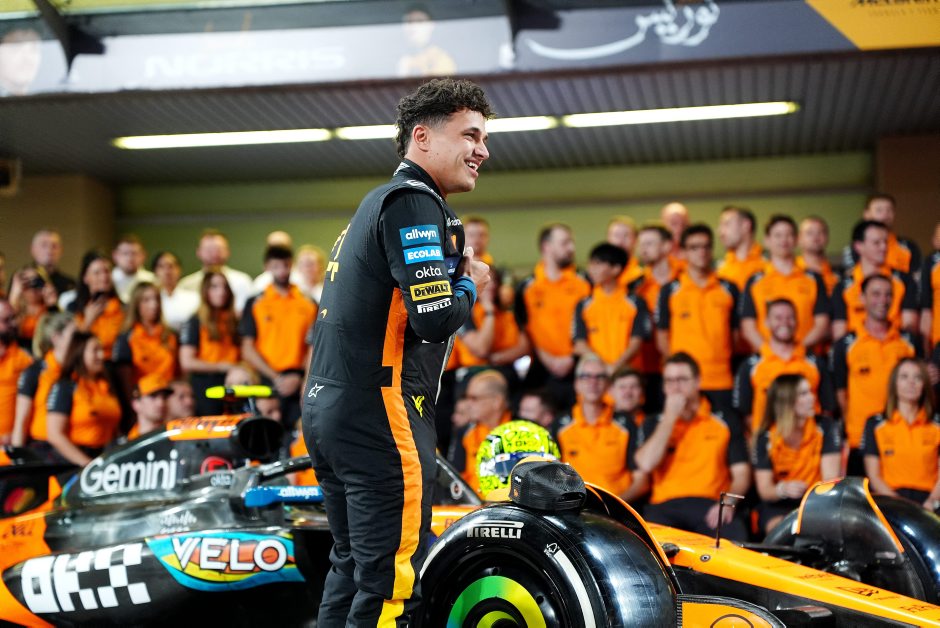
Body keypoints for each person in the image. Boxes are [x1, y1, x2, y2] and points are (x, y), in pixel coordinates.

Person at [301, 78, 491, 626]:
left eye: (484, 138)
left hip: (331, 409)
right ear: (422, 137)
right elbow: (434, 319)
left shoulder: (377, 203)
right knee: (393, 583)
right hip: (378, 413)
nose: (482, 150)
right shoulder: (413, 201)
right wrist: (470, 283)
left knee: (352, 568)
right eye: (470, 135)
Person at [635, 352, 750, 540]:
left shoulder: (724, 419)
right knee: (646, 543)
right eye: (669, 381)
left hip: (710, 504)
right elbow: (646, 464)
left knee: (734, 537)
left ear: (698, 381)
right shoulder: (654, 422)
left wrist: (728, 502)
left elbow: (742, 474)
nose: (675, 387)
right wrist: (670, 418)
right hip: (664, 506)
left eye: (682, 380)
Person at [832, 274, 921, 475]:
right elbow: (841, 393)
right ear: (862, 298)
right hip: (859, 441)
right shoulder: (846, 345)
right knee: (860, 495)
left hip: (901, 440)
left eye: (888, 294)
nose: (883, 300)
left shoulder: (909, 342)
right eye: (876, 294)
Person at [656, 224, 738, 410]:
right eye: (694, 247)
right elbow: (662, 337)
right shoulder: (670, 290)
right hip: (682, 382)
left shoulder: (728, 288)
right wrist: (678, 371)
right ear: (683, 252)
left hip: (720, 379)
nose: (701, 252)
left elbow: (735, 334)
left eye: (706, 246)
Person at [753, 374, 841, 533]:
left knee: (814, 527)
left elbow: (830, 480)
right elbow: (765, 490)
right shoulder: (766, 437)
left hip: (817, 501)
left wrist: (809, 499)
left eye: (810, 392)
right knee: (781, 529)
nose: (812, 398)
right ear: (786, 401)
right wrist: (782, 489)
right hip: (780, 504)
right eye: (804, 394)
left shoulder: (826, 427)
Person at [515, 223, 591, 409]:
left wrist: (572, 357)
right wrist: (545, 357)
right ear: (546, 246)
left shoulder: (585, 282)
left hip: (580, 367)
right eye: (565, 243)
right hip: (541, 371)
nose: (571, 248)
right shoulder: (527, 287)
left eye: (571, 242)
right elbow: (523, 327)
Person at [240, 245, 317, 427]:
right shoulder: (255, 303)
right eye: (276, 266)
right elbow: (247, 348)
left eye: (286, 265)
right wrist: (276, 378)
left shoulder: (308, 302)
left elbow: (313, 346)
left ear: (292, 265)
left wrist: (303, 380)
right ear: (267, 267)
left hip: (300, 381)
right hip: (266, 379)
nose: (282, 271)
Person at [553, 354, 646, 501]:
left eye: (599, 377)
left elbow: (641, 481)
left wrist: (615, 505)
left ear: (607, 384)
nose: (593, 382)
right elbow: (552, 478)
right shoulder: (560, 425)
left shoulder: (626, 424)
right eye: (586, 376)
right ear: (577, 384)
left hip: (618, 506)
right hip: (574, 507)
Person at [734, 298, 833, 434]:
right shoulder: (750, 366)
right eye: (778, 318)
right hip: (769, 441)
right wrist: (762, 439)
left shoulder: (815, 363)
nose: (784, 323)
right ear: (766, 322)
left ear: (797, 321)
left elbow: (827, 409)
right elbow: (746, 414)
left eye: (790, 317)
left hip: (809, 442)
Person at [740, 215, 829, 352]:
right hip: (767, 359)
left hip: (806, 357)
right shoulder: (755, 281)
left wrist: (796, 351)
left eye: (789, 235)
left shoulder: (814, 279)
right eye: (778, 235)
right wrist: (772, 352)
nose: (784, 240)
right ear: (767, 241)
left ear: (796, 240)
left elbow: (822, 323)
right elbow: (748, 326)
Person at [862, 359, 940, 511]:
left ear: (924, 385)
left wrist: (932, 502)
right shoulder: (875, 424)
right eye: (904, 377)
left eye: (917, 377)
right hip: (890, 502)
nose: (911, 382)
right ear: (894, 384)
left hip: (930, 503)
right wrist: (898, 507)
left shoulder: (936, 425)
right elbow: (874, 476)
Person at [832, 220, 918, 340]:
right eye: (876, 243)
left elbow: (910, 325)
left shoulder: (904, 280)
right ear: (859, 246)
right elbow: (839, 333)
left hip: (895, 345)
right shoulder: (844, 286)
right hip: (858, 348)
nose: (884, 247)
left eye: (885, 242)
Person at [45, 331, 121, 466]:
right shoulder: (66, 386)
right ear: (79, 353)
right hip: (74, 462)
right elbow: (54, 434)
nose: (101, 355)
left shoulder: (106, 385)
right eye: (95, 350)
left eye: (101, 350)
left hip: (105, 457)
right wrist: (87, 464)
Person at [573, 243, 651, 374]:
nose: (591, 269)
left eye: (598, 264)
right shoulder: (584, 304)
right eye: (590, 264)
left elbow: (636, 342)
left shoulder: (635, 302)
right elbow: (580, 344)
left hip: (628, 376)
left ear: (616, 269)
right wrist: (603, 368)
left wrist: (615, 367)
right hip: (596, 376)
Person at [628, 223, 681, 412]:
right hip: (646, 368)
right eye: (641, 244)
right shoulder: (635, 286)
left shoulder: (685, 278)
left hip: (679, 365)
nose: (643, 249)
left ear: (667, 246)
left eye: (649, 243)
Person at [112, 282, 179, 418]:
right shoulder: (127, 337)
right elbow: (125, 381)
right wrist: (134, 408)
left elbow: (179, 374)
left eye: (156, 299)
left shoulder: (170, 335)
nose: (154, 305)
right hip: (144, 403)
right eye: (146, 300)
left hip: (170, 401)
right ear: (136, 304)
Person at [179, 271, 241, 416]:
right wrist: (221, 366)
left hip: (234, 385)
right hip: (206, 386)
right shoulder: (195, 321)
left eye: (225, 287)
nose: (221, 292)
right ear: (205, 291)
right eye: (214, 287)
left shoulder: (234, 320)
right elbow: (187, 362)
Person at [12, 312, 74, 450]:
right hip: (44, 449)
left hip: (75, 444)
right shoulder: (35, 372)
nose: (78, 342)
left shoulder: (78, 372)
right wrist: (19, 456)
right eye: (74, 336)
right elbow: (21, 421)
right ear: (56, 338)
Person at [454, 266, 527, 384]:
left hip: (506, 371)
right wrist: (489, 312)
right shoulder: (465, 313)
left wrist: (497, 358)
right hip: (475, 373)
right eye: (486, 281)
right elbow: (481, 349)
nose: (491, 285)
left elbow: (524, 347)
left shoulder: (507, 314)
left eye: (494, 281)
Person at [448, 370, 512, 494]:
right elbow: (456, 480)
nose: (468, 404)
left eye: (474, 398)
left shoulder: (522, 432)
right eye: (467, 398)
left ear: (497, 401)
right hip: (470, 504)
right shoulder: (466, 433)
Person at [842, 194, 922, 277]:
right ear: (866, 214)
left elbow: (917, 277)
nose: (885, 214)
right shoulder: (856, 247)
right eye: (879, 210)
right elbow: (850, 277)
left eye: (889, 210)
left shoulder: (908, 246)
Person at [177, 230, 254, 314]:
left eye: (218, 249)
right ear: (198, 252)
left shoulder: (243, 281)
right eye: (209, 250)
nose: (214, 254)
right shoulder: (186, 285)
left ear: (228, 252)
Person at [67, 250, 124, 360]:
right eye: (97, 273)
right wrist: (87, 322)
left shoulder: (123, 308)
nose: (104, 277)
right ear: (85, 278)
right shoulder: (73, 308)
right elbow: (69, 346)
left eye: (107, 271)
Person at [0, 298, 33, 443]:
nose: (14, 323)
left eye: (14, 318)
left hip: (12, 444)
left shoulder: (23, 357)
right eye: (7, 320)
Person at [7, 266, 58, 351]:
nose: (33, 286)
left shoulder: (49, 309)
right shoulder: (14, 309)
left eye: (37, 280)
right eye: (26, 282)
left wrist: (52, 306)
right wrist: (14, 296)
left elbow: (59, 332)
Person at [716, 206, 763, 292]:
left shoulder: (769, 263)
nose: (720, 232)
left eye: (726, 224)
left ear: (746, 225)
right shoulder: (718, 270)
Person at [151, 251, 199, 332]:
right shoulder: (150, 299)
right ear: (155, 272)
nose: (167, 271)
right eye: (161, 267)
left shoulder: (194, 298)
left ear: (180, 270)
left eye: (171, 266)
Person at [25, 229, 76, 300]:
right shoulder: (23, 279)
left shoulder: (70, 284)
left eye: (54, 246)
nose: (49, 250)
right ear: (33, 249)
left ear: (61, 250)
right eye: (44, 245)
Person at [797, 216, 837, 294]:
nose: (815, 236)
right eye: (809, 233)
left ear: (827, 237)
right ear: (799, 239)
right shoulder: (791, 270)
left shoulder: (836, 273)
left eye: (820, 232)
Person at [111, 234, 156, 303]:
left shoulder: (152, 281)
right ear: (115, 255)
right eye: (125, 253)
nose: (130, 258)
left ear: (143, 255)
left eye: (134, 253)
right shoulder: (108, 280)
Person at [126, 373, 171, 440]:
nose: (161, 403)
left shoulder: (175, 434)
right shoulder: (129, 442)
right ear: (136, 404)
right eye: (153, 396)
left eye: (164, 397)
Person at [607, 215, 644, 288]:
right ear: (608, 239)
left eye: (626, 235)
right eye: (616, 235)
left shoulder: (644, 272)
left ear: (635, 240)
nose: (620, 240)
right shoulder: (598, 274)